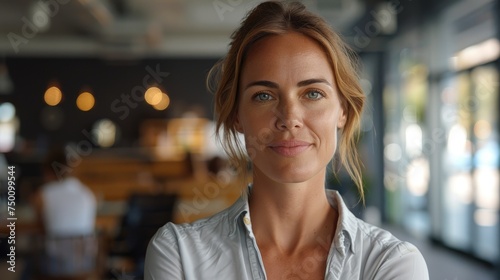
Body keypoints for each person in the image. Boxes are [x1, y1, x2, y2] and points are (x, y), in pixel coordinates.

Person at [144, 1, 429, 279]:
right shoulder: (180, 255)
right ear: (236, 116)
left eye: (313, 93)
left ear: (342, 111)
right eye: (264, 96)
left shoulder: (392, 264)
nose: (289, 117)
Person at [32, 147, 97, 276]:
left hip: (54, 265)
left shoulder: (43, 194)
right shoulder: (87, 193)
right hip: (84, 263)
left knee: (25, 264)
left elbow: (40, 226)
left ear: (48, 171)